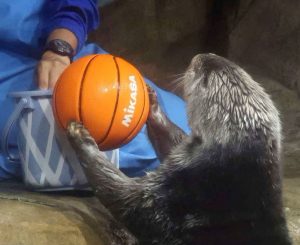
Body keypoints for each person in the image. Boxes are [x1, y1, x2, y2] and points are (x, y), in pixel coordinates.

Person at [0, 0, 189, 181]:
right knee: (141, 149)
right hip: (7, 70)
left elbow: (76, 4)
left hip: (61, 48)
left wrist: (60, 49)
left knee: (189, 127)